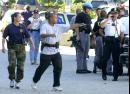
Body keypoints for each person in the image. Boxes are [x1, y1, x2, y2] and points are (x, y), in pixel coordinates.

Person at [31, 11, 80, 91]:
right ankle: (34, 81)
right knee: (42, 68)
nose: (57, 19)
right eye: (55, 17)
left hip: (56, 51)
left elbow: (71, 26)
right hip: (46, 51)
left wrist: (80, 24)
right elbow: (42, 35)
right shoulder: (45, 26)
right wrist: (50, 35)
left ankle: (56, 85)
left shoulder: (59, 27)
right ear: (50, 18)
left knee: (58, 67)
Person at [2, 12, 35, 89]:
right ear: (15, 18)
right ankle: (12, 79)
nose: (21, 18)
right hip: (12, 48)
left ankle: (18, 81)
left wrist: (32, 45)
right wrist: (3, 47)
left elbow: (28, 36)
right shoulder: (9, 27)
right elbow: (3, 37)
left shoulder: (22, 26)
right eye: (19, 17)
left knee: (21, 66)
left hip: (21, 48)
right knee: (12, 65)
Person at [101, 8, 124, 81]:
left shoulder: (120, 21)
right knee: (105, 58)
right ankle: (104, 74)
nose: (114, 15)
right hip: (108, 41)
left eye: (115, 13)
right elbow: (101, 26)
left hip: (116, 41)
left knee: (116, 59)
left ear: (117, 14)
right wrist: (108, 18)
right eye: (112, 13)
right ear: (110, 14)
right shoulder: (105, 20)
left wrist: (120, 42)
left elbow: (122, 32)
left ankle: (115, 76)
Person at [75, 3, 93, 74]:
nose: (90, 10)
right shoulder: (80, 15)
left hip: (88, 34)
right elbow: (76, 26)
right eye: (89, 9)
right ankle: (79, 68)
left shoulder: (88, 15)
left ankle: (84, 68)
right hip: (82, 33)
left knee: (86, 52)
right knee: (81, 51)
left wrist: (93, 33)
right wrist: (78, 35)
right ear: (86, 8)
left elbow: (89, 25)